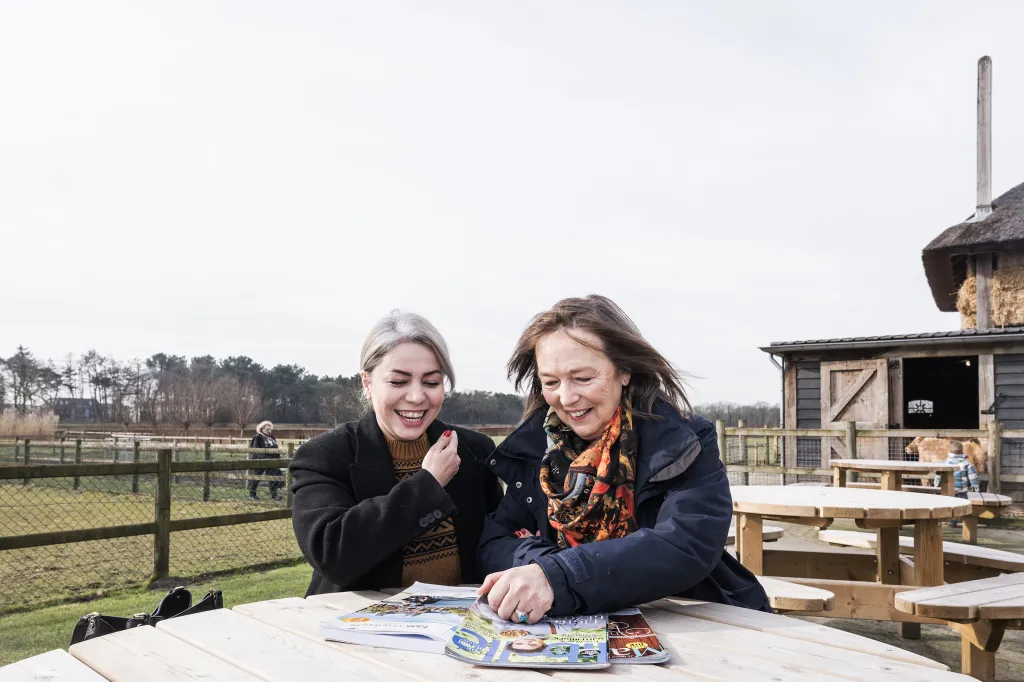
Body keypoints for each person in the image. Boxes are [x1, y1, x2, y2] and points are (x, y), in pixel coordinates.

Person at [477, 295, 771, 623]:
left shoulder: (684, 442)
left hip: (690, 618)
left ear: (624, 371)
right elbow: (495, 543)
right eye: (551, 382)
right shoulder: (535, 452)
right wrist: (545, 567)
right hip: (569, 630)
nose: (567, 397)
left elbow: (685, 545)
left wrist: (558, 575)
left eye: (583, 378)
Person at [290, 310, 504, 596]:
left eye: (431, 382)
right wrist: (427, 484)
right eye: (398, 382)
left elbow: (497, 543)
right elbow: (334, 555)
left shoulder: (475, 451)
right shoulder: (325, 455)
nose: (416, 397)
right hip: (357, 628)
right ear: (367, 383)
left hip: (459, 631)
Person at [935, 440, 980, 528]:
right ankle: (958, 520)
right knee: (962, 506)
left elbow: (938, 475)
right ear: (962, 451)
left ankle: (949, 520)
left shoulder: (945, 463)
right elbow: (973, 477)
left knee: (949, 504)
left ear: (949, 451)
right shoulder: (967, 465)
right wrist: (976, 487)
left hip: (948, 489)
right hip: (962, 490)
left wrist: (936, 485)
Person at [248, 421, 283, 501]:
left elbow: (275, 449)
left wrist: (278, 459)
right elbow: (256, 449)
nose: (269, 431)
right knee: (257, 477)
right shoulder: (258, 437)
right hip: (260, 460)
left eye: (270, 429)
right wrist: (265, 459)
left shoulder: (272, 437)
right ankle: (252, 494)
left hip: (272, 460)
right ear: (262, 429)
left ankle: (274, 496)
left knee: (273, 477)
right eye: (267, 429)